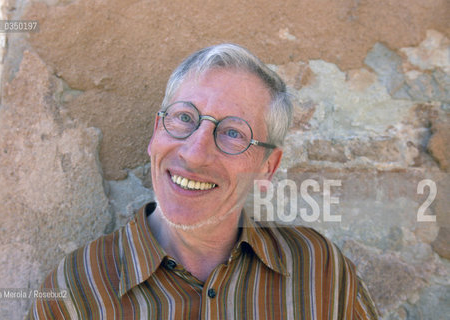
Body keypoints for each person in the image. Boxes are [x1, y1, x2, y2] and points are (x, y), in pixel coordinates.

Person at [29, 44, 378, 319]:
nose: (195, 154)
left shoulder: (318, 271)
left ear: (267, 167)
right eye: (184, 117)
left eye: (231, 133)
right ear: (156, 132)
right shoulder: (74, 289)